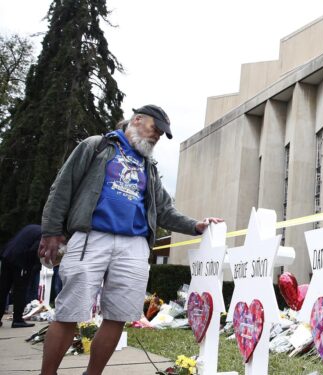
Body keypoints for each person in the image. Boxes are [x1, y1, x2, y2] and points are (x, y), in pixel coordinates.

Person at [38, 105, 223, 375]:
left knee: (118, 316)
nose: (157, 136)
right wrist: (51, 231)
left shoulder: (149, 168)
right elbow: (62, 186)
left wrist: (195, 225)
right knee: (69, 312)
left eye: (161, 133)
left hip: (134, 245)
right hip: (92, 237)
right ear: (137, 119)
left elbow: (164, 211)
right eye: (155, 129)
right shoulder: (97, 146)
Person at [0, 224, 41, 328]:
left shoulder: (31, 228)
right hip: (20, 260)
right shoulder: (44, 234)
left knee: (3, 289)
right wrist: (33, 267)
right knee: (20, 290)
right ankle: (17, 320)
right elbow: (33, 250)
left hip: (7, 255)